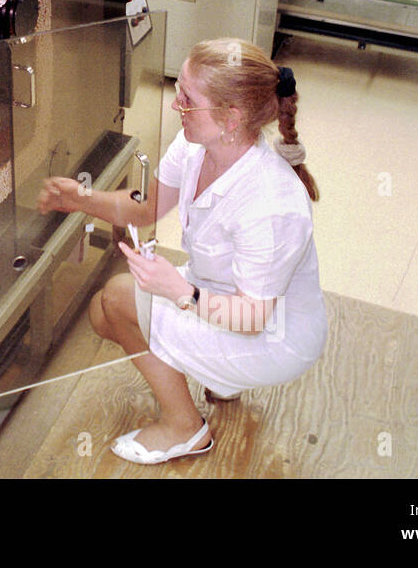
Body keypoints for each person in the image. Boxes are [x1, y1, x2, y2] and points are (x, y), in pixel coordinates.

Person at [36, 38, 327, 465]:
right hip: (224, 293)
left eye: (188, 99)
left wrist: (180, 293)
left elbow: (252, 319)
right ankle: (220, 378)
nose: (176, 105)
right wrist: (83, 198)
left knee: (113, 303)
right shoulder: (196, 144)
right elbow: (147, 208)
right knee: (105, 313)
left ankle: (185, 428)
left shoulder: (272, 205)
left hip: (272, 335)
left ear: (232, 117)